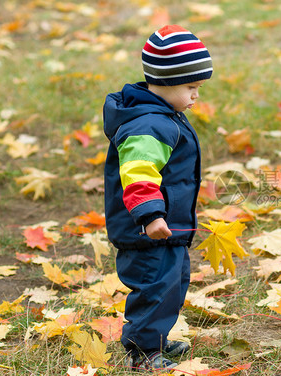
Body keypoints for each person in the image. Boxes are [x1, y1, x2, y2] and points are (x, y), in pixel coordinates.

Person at [102, 24, 212, 371]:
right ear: (165, 83)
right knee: (153, 288)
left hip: (167, 226)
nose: (196, 95)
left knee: (172, 284)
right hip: (147, 228)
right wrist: (150, 215)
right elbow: (138, 174)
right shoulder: (148, 126)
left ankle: (156, 340)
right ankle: (143, 352)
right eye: (191, 87)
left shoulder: (163, 115)